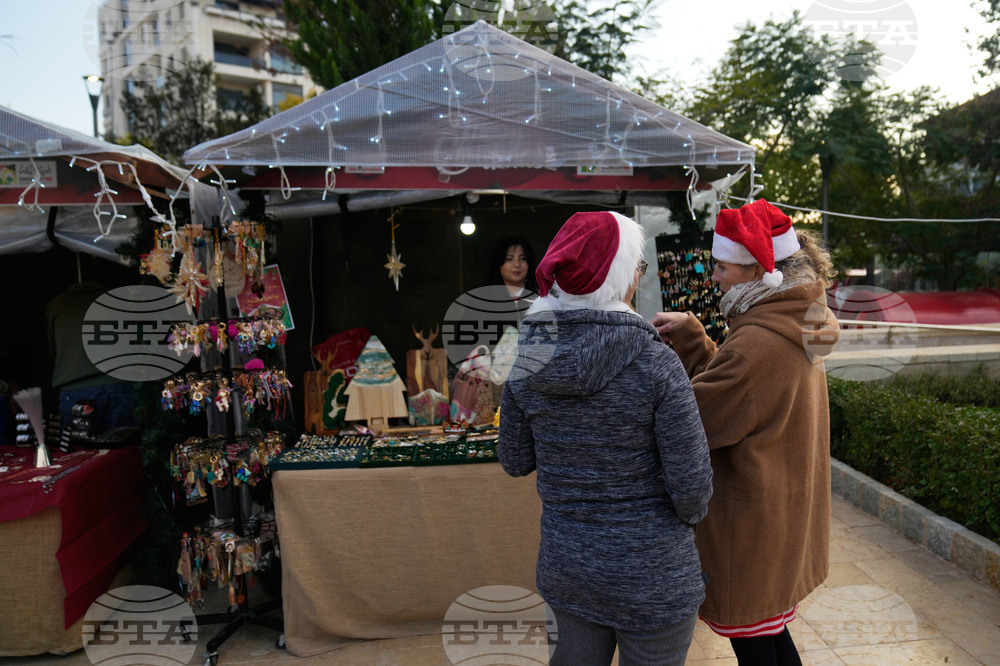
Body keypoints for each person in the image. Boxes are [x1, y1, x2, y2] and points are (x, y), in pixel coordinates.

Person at [498, 211, 714, 666]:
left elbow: (515, 460)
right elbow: (692, 490)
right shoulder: (658, 366)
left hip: (570, 568)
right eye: (637, 268)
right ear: (622, 280)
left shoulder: (528, 360)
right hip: (653, 574)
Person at [651, 199, 841, 666]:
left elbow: (695, 420)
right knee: (770, 641)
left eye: (722, 267)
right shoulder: (798, 319)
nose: (713, 276)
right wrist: (695, 337)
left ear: (760, 269)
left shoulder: (757, 342)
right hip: (783, 513)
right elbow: (743, 394)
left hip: (753, 531)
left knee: (757, 647)